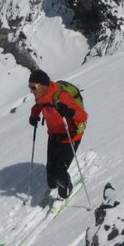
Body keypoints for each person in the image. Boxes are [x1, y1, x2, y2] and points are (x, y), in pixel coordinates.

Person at [27, 68, 87, 200]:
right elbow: (37, 107)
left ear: (42, 86)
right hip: (54, 136)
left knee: (60, 172)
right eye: (29, 87)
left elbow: (83, 116)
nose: (31, 90)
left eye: (33, 87)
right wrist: (33, 116)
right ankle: (55, 181)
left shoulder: (61, 96)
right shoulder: (42, 97)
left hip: (70, 137)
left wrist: (69, 112)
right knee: (51, 178)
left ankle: (66, 190)